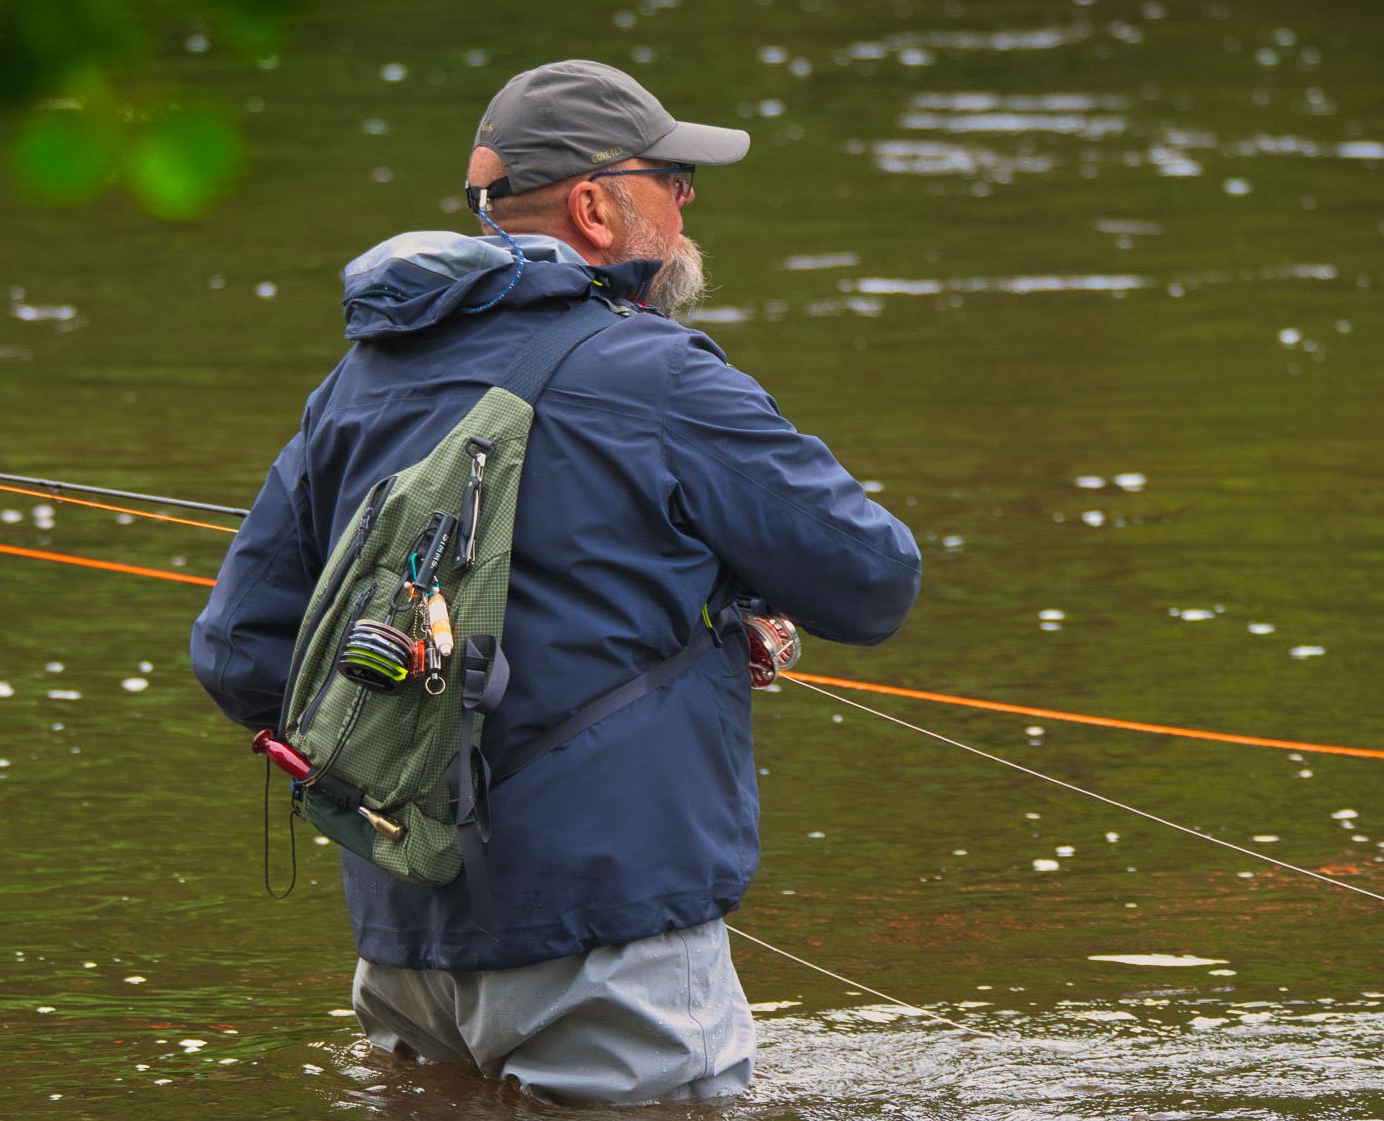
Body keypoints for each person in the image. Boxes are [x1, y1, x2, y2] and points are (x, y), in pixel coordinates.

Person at [189, 59, 921, 1104]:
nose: (687, 197)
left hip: (402, 948)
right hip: (607, 946)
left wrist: (408, 777)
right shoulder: (663, 375)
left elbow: (236, 651)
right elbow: (874, 579)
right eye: (669, 176)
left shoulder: (359, 380)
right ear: (593, 205)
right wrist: (733, 605)